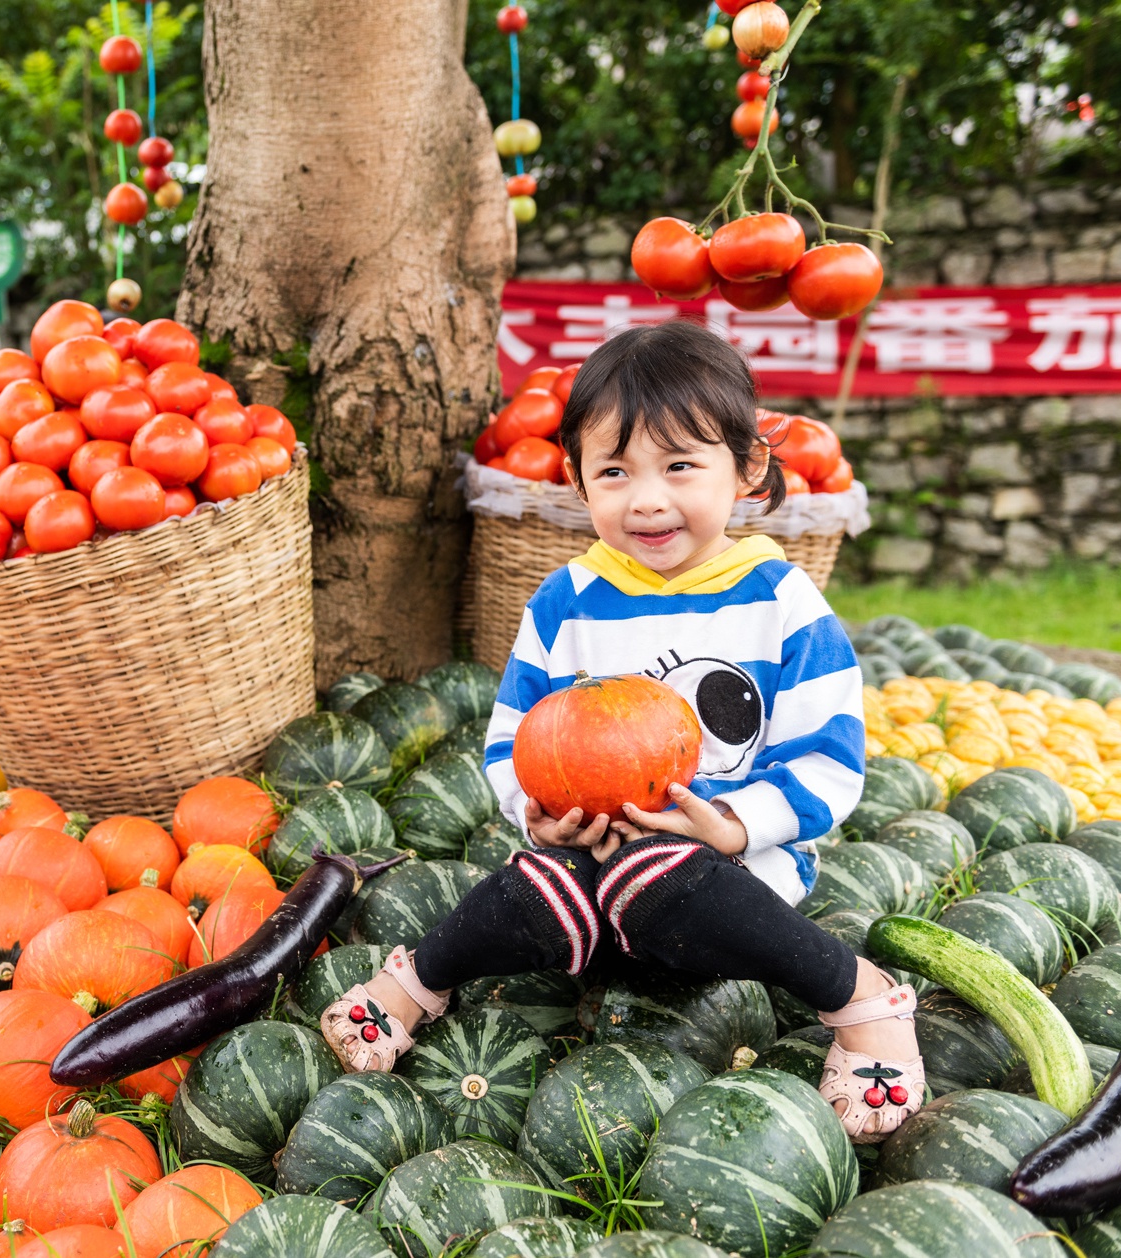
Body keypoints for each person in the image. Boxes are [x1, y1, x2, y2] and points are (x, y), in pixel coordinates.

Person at [318, 320, 921, 1144]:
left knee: (665, 879)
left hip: (728, 875)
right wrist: (532, 814)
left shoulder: (780, 601)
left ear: (745, 469)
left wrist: (737, 825)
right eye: (614, 471)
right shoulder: (566, 601)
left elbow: (830, 757)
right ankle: (418, 981)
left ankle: (859, 998)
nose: (646, 497)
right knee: (532, 885)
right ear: (577, 481)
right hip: (588, 859)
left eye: (679, 466)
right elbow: (511, 739)